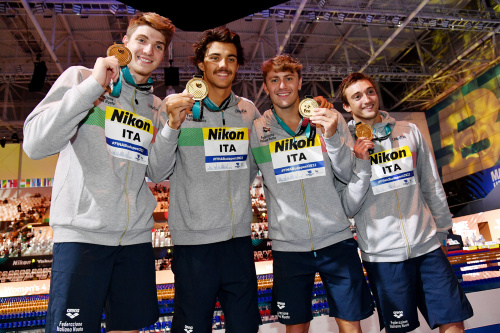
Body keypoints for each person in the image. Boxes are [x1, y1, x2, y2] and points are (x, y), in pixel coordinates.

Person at [22, 12, 175, 333]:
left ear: (164, 55)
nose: (149, 50)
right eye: (142, 40)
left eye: (158, 46)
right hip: (83, 237)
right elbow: (35, 145)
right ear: (125, 43)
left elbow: (157, 172)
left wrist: (171, 128)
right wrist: (93, 86)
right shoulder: (81, 78)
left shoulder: (156, 107)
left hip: (134, 240)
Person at [339, 72, 474, 333]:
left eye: (370, 92)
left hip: (427, 246)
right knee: (399, 329)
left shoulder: (409, 131)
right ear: (346, 107)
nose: (366, 99)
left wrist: (443, 231)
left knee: (454, 321)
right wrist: (361, 163)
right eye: (357, 96)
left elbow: (431, 184)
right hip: (383, 256)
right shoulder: (343, 145)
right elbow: (348, 207)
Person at [250, 55, 374, 333]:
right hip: (288, 246)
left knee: (351, 325)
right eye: (274, 80)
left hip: (336, 239)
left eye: (289, 79)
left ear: (299, 82)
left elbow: (347, 172)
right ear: (266, 87)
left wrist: (330, 136)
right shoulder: (257, 131)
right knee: (295, 328)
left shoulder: (329, 119)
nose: (282, 86)